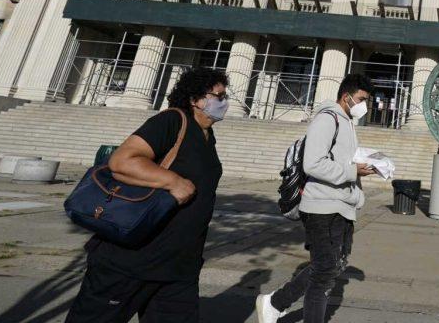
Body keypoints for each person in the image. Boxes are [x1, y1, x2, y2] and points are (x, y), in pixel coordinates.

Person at [65, 66, 229, 323]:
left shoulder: (208, 136)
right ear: (195, 99)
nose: (224, 102)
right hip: (131, 261)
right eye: (218, 96)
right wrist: (172, 180)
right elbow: (122, 161)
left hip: (178, 268)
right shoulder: (172, 121)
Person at [257, 73, 377, 323]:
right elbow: (313, 164)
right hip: (322, 207)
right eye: (361, 99)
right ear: (346, 97)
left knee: (334, 265)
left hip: (341, 207)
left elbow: (342, 164)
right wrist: (353, 171)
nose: (365, 105)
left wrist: (361, 175)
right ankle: (279, 305)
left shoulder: (347, 123)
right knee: (324, 271)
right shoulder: (328, 118)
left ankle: (275, 302)